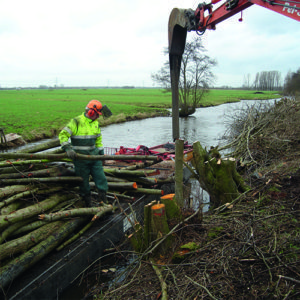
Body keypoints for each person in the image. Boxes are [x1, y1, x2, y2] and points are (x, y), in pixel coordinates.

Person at [59, 100, 108, 207]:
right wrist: (67, 148)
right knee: (83, 183)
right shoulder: (76, 122)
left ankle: (104, 203)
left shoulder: (96, 123)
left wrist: (101, 154)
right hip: (80, 159)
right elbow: (63, 135)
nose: (98, 117)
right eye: (97, 114)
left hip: (94, 158)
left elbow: (98, 140)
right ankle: (87, 205)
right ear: (90, 112)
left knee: (101, 180)